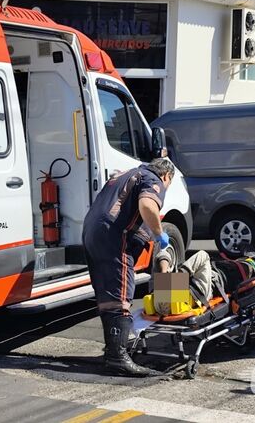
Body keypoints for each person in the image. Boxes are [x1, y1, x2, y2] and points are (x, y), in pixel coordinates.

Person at [82, 158, 174, 377]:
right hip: (114, 234)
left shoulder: (123, 175)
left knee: (107, 294)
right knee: (122, 292)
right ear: (166, 176)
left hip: (91, 232)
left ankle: (112, 350)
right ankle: (117, 358)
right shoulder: (153, 179)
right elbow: (147, 205)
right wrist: (160, 234)